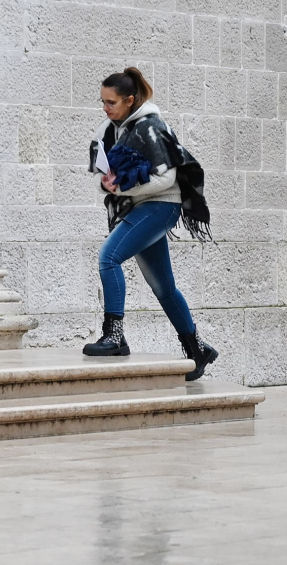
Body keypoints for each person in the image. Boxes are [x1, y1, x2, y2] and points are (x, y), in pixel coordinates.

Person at [84, 66, 218, 381]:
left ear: (130, 100)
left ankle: (114, 336)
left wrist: (125, 187)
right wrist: (108, 183)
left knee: (109, 257)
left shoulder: (150, 127)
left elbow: (167, 177)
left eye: (111, 102)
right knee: (163, 287)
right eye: (102, 101)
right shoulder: (113, 130)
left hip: (160, 206)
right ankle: (197, 348)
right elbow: (108, 177)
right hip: (142, 207)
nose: (105, 108)